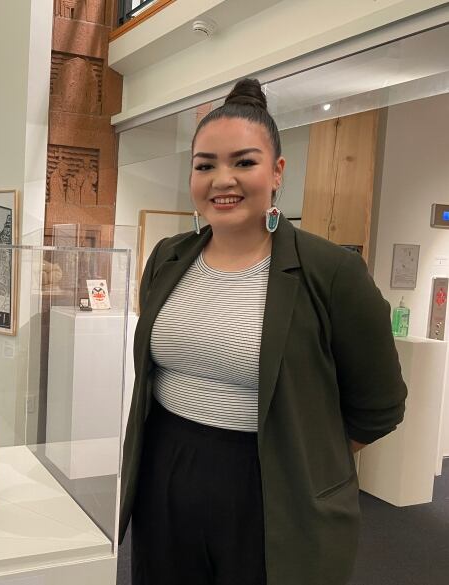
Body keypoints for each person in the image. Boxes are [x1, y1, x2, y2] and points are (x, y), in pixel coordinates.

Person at [119, 78, 407, 585]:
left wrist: (307, 457)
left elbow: (379, 406)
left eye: (243, 162)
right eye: (205, 165)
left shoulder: (330, 272)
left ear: (277, 172)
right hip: (165, 473)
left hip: (271, 487)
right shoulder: (169, 257)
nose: (221, 180)